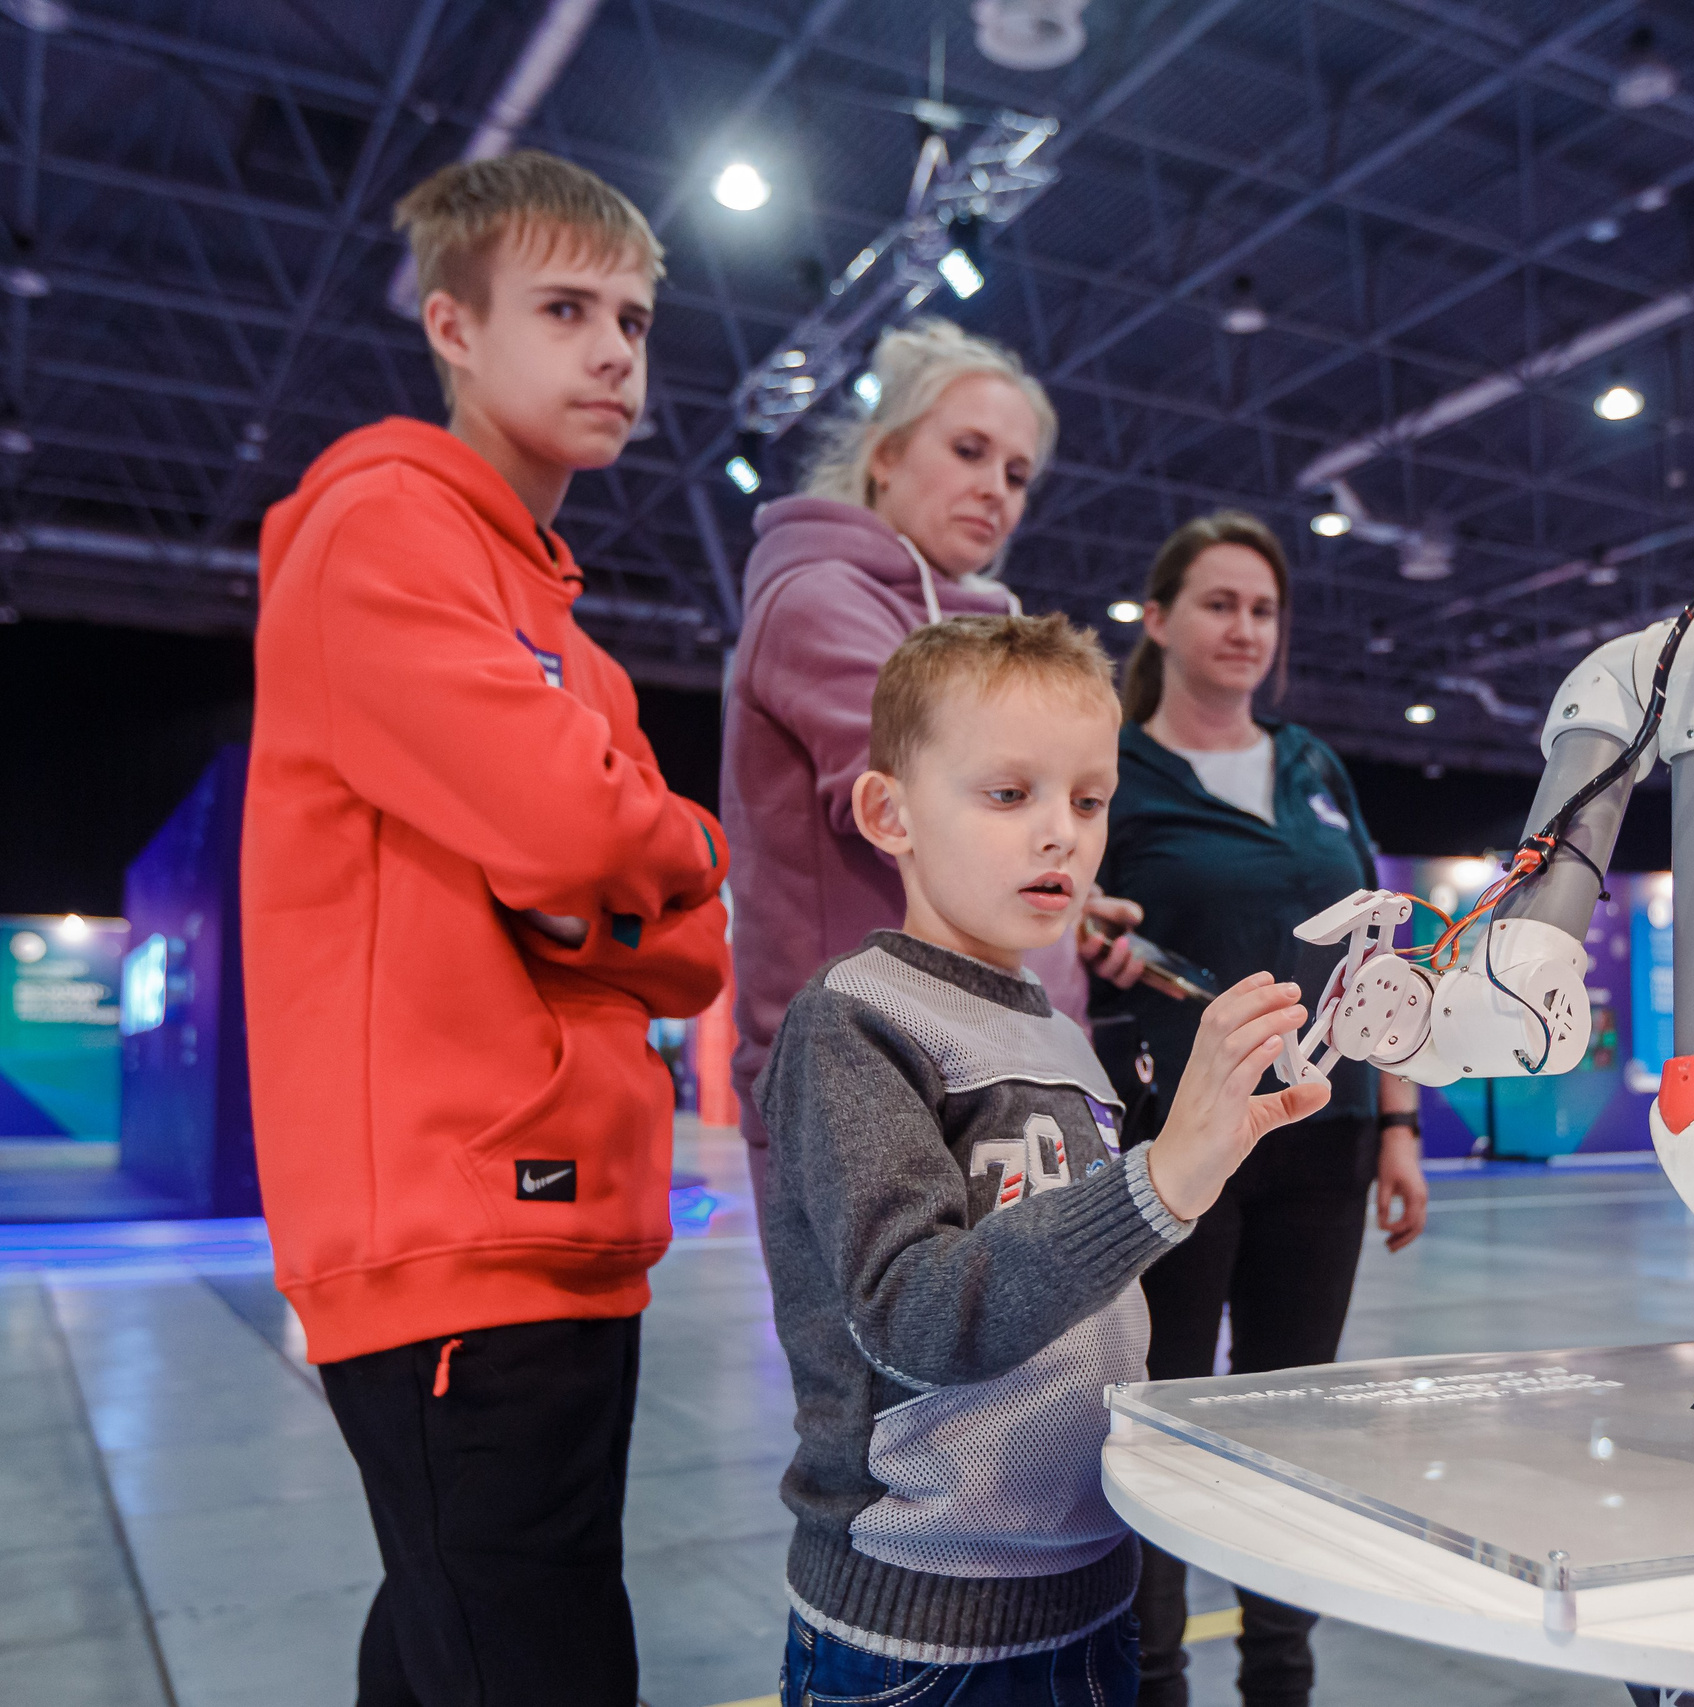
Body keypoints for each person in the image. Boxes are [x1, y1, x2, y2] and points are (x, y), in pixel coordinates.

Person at [240, 153, 730, 1704]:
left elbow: (692, 946)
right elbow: (592, 835)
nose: (613, 353)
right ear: (453, 326)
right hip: (460, 1233)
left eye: (636, 320)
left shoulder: (569, 645)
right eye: (566, 308)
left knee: (455, 1637)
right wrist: (647, 850)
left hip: (572, 1226)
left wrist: (614, 874)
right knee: (535, 1655)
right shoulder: (384, 531)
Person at [754, 613, 1331, 1706]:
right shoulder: (855, 1022)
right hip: (919, 1633)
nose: (1061, 833)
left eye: (1088, 799)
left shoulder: (1062, 1037)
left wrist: (1192, 1167)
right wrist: (1158, 1181)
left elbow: (1088, 1305)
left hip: (1094, 1599)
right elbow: (922, 1319)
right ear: (891, 814)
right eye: (1008, 795)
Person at [1093, 511, 1428, 1707]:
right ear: (1162, 619)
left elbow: (1383, 958)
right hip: (1178, 1149)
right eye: (1221, 603)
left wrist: (1397, 1125)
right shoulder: (1116, 770)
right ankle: (1154, 1679)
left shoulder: (1311, 767)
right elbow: (1056, 923)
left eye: (1264, 609)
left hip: (1322, 1142)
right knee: (1167, 1425)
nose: (1245, 628)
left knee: (1298, 1422)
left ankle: (1280, 1680)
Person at [723, 318, 1137, 1216]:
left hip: (999, 1056)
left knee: (1045, 1350)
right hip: (879, 1074)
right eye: (969, 450)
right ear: (886, 452)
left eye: (1016, 473)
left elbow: (972, 829)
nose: (993, 489)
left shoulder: (965, 622)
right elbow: (927, 807)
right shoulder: (818, 598)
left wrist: (1065, 897)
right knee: (908, 1352)